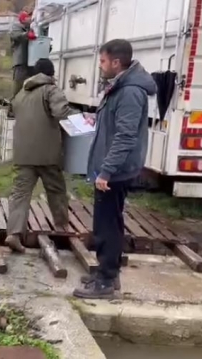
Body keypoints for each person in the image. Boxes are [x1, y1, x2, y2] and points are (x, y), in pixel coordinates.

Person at [73, 39, 157, 299]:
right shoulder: (121, 87)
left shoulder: (130, 91)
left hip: (116, 171)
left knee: (106, 225)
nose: (101, 66)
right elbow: (117, 123)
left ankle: (106, 283)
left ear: (116, 62)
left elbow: (126, 136)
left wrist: (106, 171)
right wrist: (97, 118)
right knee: (109, 222)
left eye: (102, 61)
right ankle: (108, 273)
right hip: (115, 168)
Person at [5, 58, 76, 252]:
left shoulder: (21, 93)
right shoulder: (51, 90)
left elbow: (13, 112)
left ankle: (14, 234)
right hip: (47, 154)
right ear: (51, 74)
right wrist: (82, 120)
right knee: (56, 191)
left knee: (20, 193)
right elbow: (62, 112)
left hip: (22, 153)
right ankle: (62, 228)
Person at [10, 10, 37, 98]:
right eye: (28, 17)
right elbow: (15, 35)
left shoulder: (30, 28)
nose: (30, 19)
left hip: (30, 63)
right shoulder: (16, 27)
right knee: (18, 86)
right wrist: (26, 35)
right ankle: (13, 106)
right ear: (23, 19)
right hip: (20, 62)